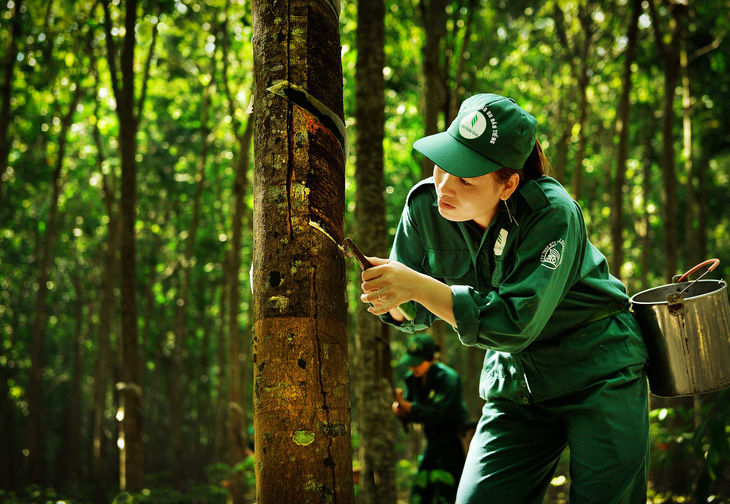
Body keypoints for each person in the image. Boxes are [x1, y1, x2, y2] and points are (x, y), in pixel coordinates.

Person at [359, 93, 649, 503]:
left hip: (597, 370)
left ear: (509, 183)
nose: (444, 185)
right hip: (517, 384)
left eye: (466, 179)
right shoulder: (425, 206)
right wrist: (395, 301)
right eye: (443, 165)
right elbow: (412, 310)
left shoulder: (551, 213)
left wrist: (419, 287)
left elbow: (513, 323)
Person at [393, 333, 467, 504]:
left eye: (417, 363)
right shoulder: (412, 379)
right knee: (418, 496)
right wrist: (402, 411)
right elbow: (414, 413)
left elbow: (436, 415)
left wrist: (409, 406)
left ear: (432, 358)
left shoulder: (448, 379)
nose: (413, 368)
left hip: (453, 446)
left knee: (447, 497)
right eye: (411, 363)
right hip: (431, 445)